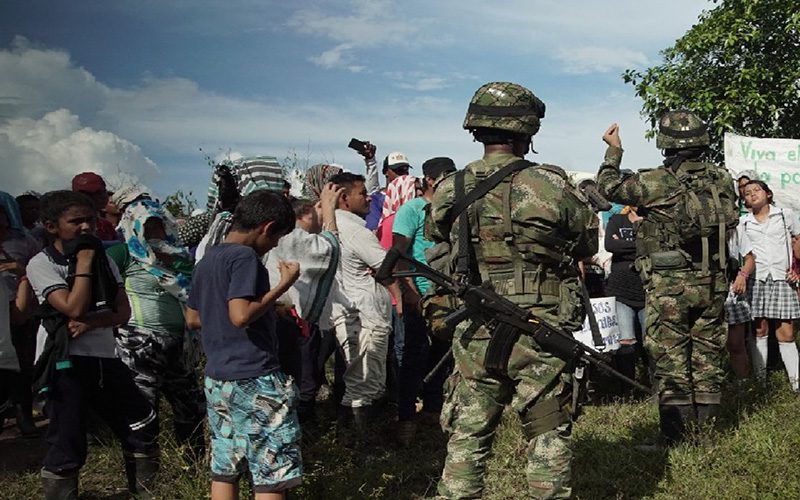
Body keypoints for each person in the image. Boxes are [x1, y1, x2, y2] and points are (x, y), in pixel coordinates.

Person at [428, 82, 598, 498]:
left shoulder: (452, 186)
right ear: (528, 132)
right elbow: (588, 242)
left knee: (468, 434)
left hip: (475, 324)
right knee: (546, 431)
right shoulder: (550, 185)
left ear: (476, 129)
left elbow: (439, 240)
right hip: (540, 326)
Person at [597, 111, 738, 446]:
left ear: (665, 142)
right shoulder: (721, 178)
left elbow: (608, 186)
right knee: (707, 355)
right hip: (713, 280)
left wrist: (614, 149)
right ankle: (706, 436)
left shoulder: (658, 181)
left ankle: (674, 436)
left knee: (671, 356)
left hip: (669, 284)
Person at [27, 190, 158, 498]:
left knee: (139, 423)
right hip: (65, 360)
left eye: (91, 220)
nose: (86, 227)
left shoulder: (105, 262)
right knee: (67, 437)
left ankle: (145, 490)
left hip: (104, 356)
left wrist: (91, 322)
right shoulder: (42, 264)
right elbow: (71, 307)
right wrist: (84, 261)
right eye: (76, 222)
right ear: (50, 226)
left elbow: (122, 312)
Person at [185, 190, 302, 500]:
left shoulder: (209, 258)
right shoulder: (245, 257)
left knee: (225, 465)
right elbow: (240, 316)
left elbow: (193, 318)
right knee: (270, 471)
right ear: (266, 227)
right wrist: (283, 286)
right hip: (256, 376)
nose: (275, 245)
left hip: (218, 377)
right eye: (277, 237)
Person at [108, 198, 206, 452]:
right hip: (140, 344)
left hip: (181, 344)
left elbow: (195, 292)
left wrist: (173, 261)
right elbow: (105, 290)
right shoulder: (123, 254)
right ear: (134, 227)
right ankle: (145, 473)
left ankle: (192, 464)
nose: (153, 233)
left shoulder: (181, 257)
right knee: (142, 409)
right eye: (147, 227)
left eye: (158, 226)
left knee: (191, 407)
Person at [327, 171, 402, 434]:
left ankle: (353, 439)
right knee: (365, 384)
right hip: (365, 316)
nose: (369, 198)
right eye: (362, 193)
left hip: (352, 313)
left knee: (358, 382)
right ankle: (361, 443)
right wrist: (402, 299)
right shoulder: (353, 230)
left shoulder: (334, 227)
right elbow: (385, 266)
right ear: (344, 198)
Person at [392, 156, 456, 446]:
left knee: (442, 357)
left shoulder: (452, 211)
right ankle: (406, 418)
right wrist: (409, 293)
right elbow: (398, 255)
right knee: (413, 357)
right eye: (445, 176)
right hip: (419, 295)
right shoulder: (412, 210)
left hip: (447, 297)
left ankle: (432, 411)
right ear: (429, 179)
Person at [738, 179, 800, 390]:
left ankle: (796, 385)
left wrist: (796, 270)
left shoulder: (784, 215)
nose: (753, 194)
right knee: (759, 329)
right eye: (748, 193)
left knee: (787, 332)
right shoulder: (744, 223)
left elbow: (797, 240)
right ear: (744, 200)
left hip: (782, 278)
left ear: (768, 194)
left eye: (757, 190)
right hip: (758, 279)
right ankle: (760, 384)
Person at [0, 205, 35, 435]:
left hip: (16, 311)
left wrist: (22, 272)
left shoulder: (23, 241)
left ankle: (24, 415)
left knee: (22, 367)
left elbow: (39, 269)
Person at [604, 206, 646, 388]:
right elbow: (610, 245)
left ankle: (654, 387)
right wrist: (640, 245)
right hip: (620, 290)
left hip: (646, 290)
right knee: (625, 342)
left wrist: (623, 245)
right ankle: (628, 389)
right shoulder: (616, 220)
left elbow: (655, 247)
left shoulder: (651, 222)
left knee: (650, 344)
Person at [71, 172, 119, 244]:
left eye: (103, 191)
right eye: (94, 193)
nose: (102, 196)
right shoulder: (69, 224)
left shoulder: (106, 226)